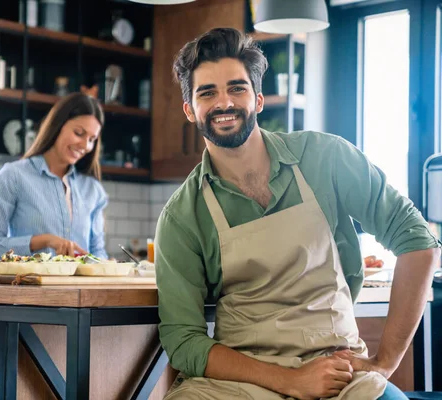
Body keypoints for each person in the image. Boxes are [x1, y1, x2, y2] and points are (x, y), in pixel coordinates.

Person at [155, 27, 441, 400]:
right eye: (207, 92)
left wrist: (384, 363)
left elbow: (416, 239)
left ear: (258, 100)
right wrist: (288, 380)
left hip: (340, 374)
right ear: (190, 109)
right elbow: (183, 340)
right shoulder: (182, 215)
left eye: (236, 88)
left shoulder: (326, 157)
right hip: (240, 384)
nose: (224, 102)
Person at [0, 92, 109, 261]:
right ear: (58, 125)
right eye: (78, 133)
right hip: (30, 286)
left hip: (80, 288)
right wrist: (43, 241)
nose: (85, 145)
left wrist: (107, 265)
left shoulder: (92, 190)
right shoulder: (14, 176)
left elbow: (97, 254)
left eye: (92, 139)